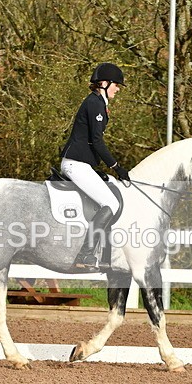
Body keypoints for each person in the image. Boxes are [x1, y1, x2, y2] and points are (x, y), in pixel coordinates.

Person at [60, 62, 130, 270]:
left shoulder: (99, 102)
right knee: (111, 203)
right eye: (116, 85)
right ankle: (86, 254)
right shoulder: (95, 104)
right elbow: (97, 141)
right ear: (104, 83)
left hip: (83, 164)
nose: (118, 89)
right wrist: (117, 166)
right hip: (75, 164)